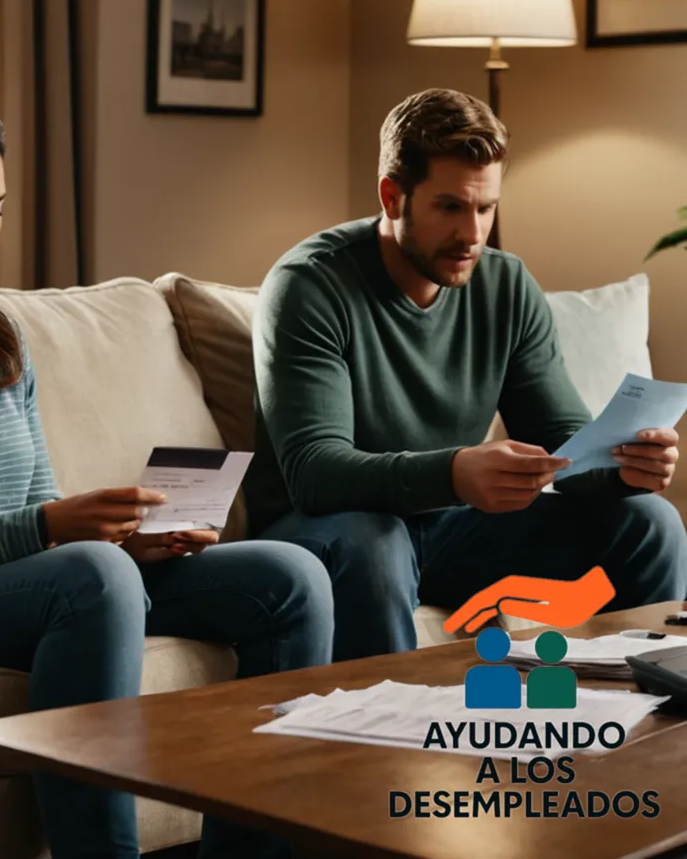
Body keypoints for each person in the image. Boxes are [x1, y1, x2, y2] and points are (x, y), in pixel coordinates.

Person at [0, 90, 335, 859]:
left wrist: (128, 538)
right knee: (91, 576)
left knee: (290, 575)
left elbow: (35, 504)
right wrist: (58, 530)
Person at [245, 87, 685, 662]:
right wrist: (454, 473)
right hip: (326, 532)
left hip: (455, 531)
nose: (473, 234)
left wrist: (626, 467)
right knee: (372, 541)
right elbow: (315, 473)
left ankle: (638, 726)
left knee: (648, 521)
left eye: (485, 208)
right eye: (450, 207)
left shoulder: (505, 286)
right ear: (393, 197)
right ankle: (380, 737)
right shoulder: (310, 286)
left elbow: (567, 446)